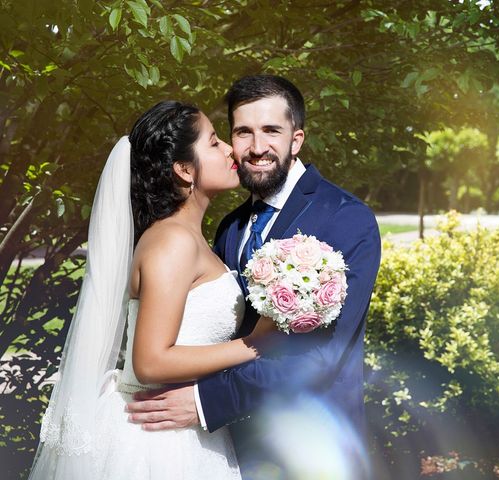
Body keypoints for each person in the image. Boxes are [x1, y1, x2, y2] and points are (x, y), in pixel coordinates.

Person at [127, 76, 382, 479]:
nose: (257, 147)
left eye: (271, 131)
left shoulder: (345, 218)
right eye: (243, 132)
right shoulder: (229, 227)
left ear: (296, 139)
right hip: (230, 450)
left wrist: (204, 402)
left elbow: (320, 355)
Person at [29, 100, 274, 480]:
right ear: (183, 169)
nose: (230, 149)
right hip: (157, 445)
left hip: (185, 429)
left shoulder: (191, 236)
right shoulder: (172, 241)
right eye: (213, 143)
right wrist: (253, 344)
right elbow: (149, 362)